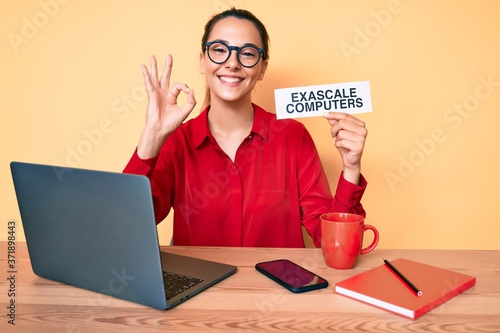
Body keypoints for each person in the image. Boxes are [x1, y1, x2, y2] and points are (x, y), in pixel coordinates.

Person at [123, 7, 368, 248]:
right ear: (202, 61)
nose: (232, 63)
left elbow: (333, 243)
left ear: (262, 68)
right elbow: (125, 227)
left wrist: (351, 169)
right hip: (203, 288)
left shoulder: (293, 136)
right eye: (219, 50)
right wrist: (151, 138)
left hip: (277, 288)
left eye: (248, 53)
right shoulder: (177, 142)